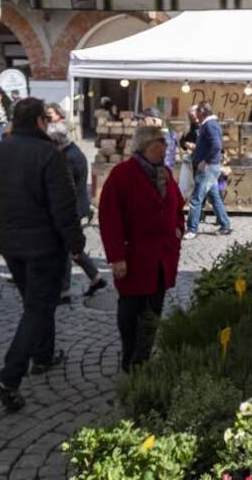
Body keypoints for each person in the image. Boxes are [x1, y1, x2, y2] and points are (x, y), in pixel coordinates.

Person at [0, 98, 86, 411]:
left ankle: (44, 355)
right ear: (40, 121)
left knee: (36, 303)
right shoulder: (49, 155)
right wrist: (75, 244)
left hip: (11, 244)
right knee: (38, 308)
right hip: (44, 245)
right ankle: (8, 378)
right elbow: (63, 206)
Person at [99, 125, 184, 372]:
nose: (166, 147)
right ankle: (129, 356)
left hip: (161, 258)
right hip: (134, 259)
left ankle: (142, 358)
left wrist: (178, 229)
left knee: (154, 311)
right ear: (146, 145)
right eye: (161, 142)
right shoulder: (122, 175)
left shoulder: (165, 173)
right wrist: (116, 257)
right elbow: (110, 219)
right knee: (130, 312)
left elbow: (177, 206)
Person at [47, 121, 107, 300]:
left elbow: (67, 187)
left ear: (57, 139)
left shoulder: (67, 157)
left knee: (65, 249)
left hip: (71, 209)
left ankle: (64, 289)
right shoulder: (71, 152)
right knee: (71, 247)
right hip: (75, 207)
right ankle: (95, 277)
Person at [184, 102, 231, 239]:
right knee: (214, 197)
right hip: (211, 167)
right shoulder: (209, 124)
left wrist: (206, 161)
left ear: (203, 111)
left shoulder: (209, 125)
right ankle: (225, 224)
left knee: (196, 198)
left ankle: (192, 229)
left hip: (208, 168)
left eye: (197, 111)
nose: (195, 115)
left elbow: (216, 146)